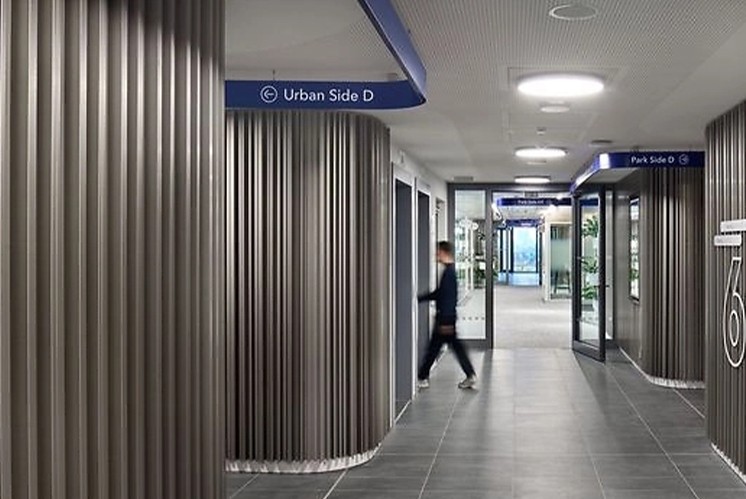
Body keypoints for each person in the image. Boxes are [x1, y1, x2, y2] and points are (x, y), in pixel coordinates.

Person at [417, 241, 477, 389]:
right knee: (449, 348)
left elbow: (449, 298)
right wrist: (421, 298)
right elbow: (440, 294)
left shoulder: (449, 273)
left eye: (438, 252)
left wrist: (446, 321)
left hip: (445, 319)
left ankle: (422, 377)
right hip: (446, 318)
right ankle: (470, 374)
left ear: (444, 253)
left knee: (434, 349)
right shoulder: (448, 271)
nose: (436, 255)